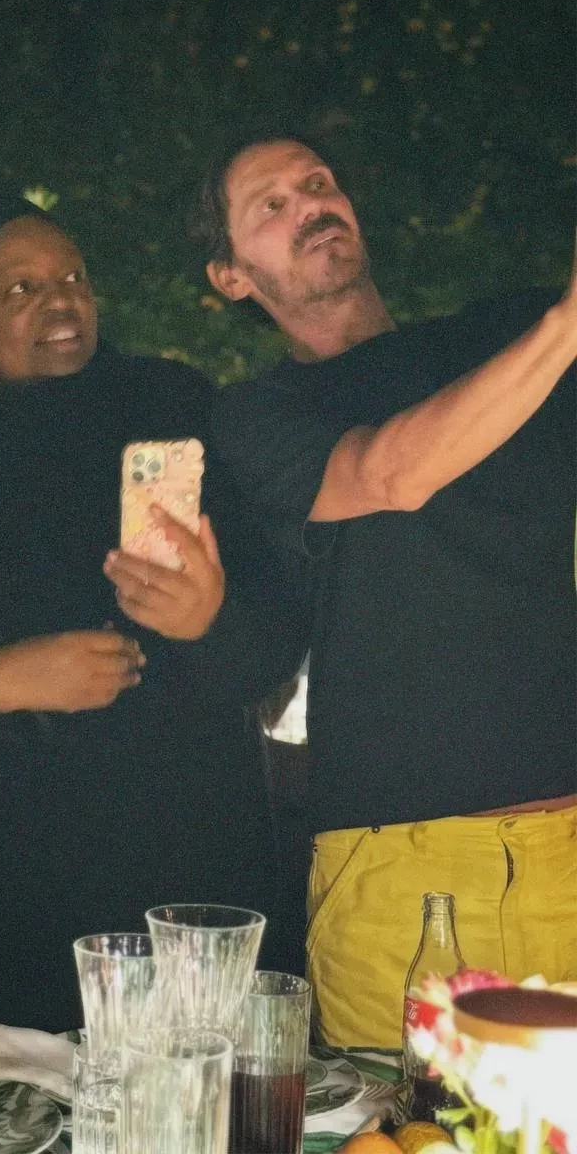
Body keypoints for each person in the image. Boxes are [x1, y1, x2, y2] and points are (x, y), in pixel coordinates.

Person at [0, 195, 310, 1057]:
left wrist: (211, 619)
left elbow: (277, 636)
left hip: (185, 880)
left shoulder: (168, 409)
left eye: (73, 278)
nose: (61, 300)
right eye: (20, 289)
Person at [192, 133, 577, 1048]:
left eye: (318, 183)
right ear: (231, 276)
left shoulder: (507, 335)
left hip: (569, 843)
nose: (310, 205)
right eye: (272, 205)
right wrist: (568, 326)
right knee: (401, 1122)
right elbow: (391, 475)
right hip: (400, 867)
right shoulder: (258, 415)